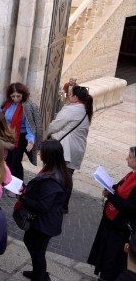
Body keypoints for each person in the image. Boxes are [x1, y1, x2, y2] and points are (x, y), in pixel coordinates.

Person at [17, 141, 71, 281]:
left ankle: (41, 276)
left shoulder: (52, 180)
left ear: (49, 155)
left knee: (38, 250)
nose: (39, 153)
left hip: (44, 224)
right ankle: (37, 273)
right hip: (47, 220)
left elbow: (42, 206)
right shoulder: (59, 171)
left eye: (42, 151)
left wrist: (22, 198)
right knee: (34, 245)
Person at [89, 147, 136, 281]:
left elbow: (131, 207)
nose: (127, 158)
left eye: (130, 157)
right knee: (106, 254)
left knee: (113, 258)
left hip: (120, 229)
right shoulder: (131, 174)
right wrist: (111, 188)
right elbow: (119, 188)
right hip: (112, 224)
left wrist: (112, 196)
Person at [47, 84, 92, 212]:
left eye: (71, 94)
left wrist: (45, 134)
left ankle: (56, 203)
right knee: (67, 177)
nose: (69, 96)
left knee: (58, 176)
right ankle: (63, 205)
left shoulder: (71, 109)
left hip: (67, 149)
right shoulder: (85, 109)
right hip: (78, 149)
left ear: (76, 97)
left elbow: (55, 126)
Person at [0, 82, 42, 177]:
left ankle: (18, 185)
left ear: (23, 94)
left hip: (20, 137)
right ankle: (8, 181)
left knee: (15, 162)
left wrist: (31, 140)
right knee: (8, 160)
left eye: (18, 96)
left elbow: (30, 126)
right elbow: (1, 112)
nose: (15, 99)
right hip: (9, 136)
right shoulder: (8, 103)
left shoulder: (26, 107)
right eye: (13, 96)